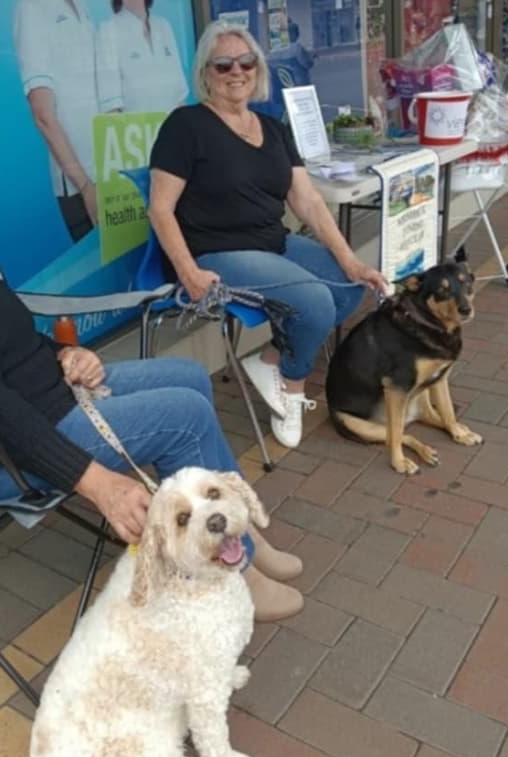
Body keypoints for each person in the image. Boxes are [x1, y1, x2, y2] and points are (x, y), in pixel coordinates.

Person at [0, 92, 303, 622]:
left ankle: (244, 537)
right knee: (184, 416)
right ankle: (232, 573)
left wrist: (62, 355)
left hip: (39, 398)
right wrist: (95, 483)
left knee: (189, 375)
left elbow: (1, 337)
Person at [148, 20, 388, 449]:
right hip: (215, 253)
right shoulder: (185, 126)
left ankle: (271, 358)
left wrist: (351, 260)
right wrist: (187, 271)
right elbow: (160, 208)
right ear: (205, 73)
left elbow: (308, 201)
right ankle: (292, 389)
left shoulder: (273, 128)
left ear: (258, 68)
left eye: (246, 62)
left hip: (271, 243)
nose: (236, 71)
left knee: (348, 287)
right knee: (314, 300)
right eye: (223, 64)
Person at [13, 0, 99, 242]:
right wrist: (85, 187)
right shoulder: (32, 8)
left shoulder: (83, 7)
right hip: (79, 186)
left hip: (107, 174)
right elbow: (43, 115)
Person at [96, 0, 188, 114]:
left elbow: (180, 98)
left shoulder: (164, 26)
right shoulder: (109, 30)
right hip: (134, 129)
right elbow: (111, 109)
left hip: (172, 128)